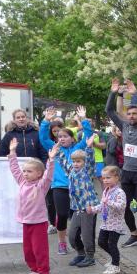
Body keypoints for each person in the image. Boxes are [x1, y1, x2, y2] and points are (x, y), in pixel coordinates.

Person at [105, 79, 137, 249]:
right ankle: (134, 234)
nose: (131, 116)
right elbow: (109, 110)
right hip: (126, 172)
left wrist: (135, 94)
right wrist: (113, 92)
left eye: (135, 114)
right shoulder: (124, 126)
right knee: (123, 205)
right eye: (129, 114)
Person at [40, 107, 93, 255]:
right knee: (62, 215)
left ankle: (78, 240)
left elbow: (88, 136)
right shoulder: (54, 148)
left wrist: (84, 119)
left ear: (72, 138)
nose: (61, 139)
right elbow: (43, 138)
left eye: (65, 136)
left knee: (77, 215)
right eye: (59, 136)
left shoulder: (78, 148)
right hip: (59, 186)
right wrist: (46, 121)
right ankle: (62, 242)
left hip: (77, 187)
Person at [9, 139, 58, 274]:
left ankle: (44, 273)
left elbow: (49, 174)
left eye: (29, 171)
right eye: (24, 171)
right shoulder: (22, 182)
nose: (25, 174)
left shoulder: (41, 185)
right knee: (28, 249)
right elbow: (15, 169)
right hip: (26, 222)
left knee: (39, 249)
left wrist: (51, 160)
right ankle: (35, 270)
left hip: (39, 223)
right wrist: (12, 152)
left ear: (39, 173)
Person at [57, 134, 99, 268]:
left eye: (79, 161)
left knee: (87, 235)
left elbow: (90, 160)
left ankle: (90, 256)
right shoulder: (71, 170)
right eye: (74, 161)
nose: (75, 164)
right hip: (76, 208)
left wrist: (89, 147)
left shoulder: (87, 171)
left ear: (84, 163)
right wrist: (57, 150)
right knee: (72, 235)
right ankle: (80, 253)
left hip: (88, 208)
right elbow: (63, 161)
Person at [87, 166, 128, 274]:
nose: (105, 180)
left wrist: (108, 202)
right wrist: (92, 209)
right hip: (106, 223)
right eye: (104, 178)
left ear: (117, 178)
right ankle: (115, 257)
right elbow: (102, 205)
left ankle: (115, 265)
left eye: (108, 178)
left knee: (112, 244)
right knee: (101, 242)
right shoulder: (106, 190)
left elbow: (121, 206)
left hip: (115, 224)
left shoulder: (119, 192)